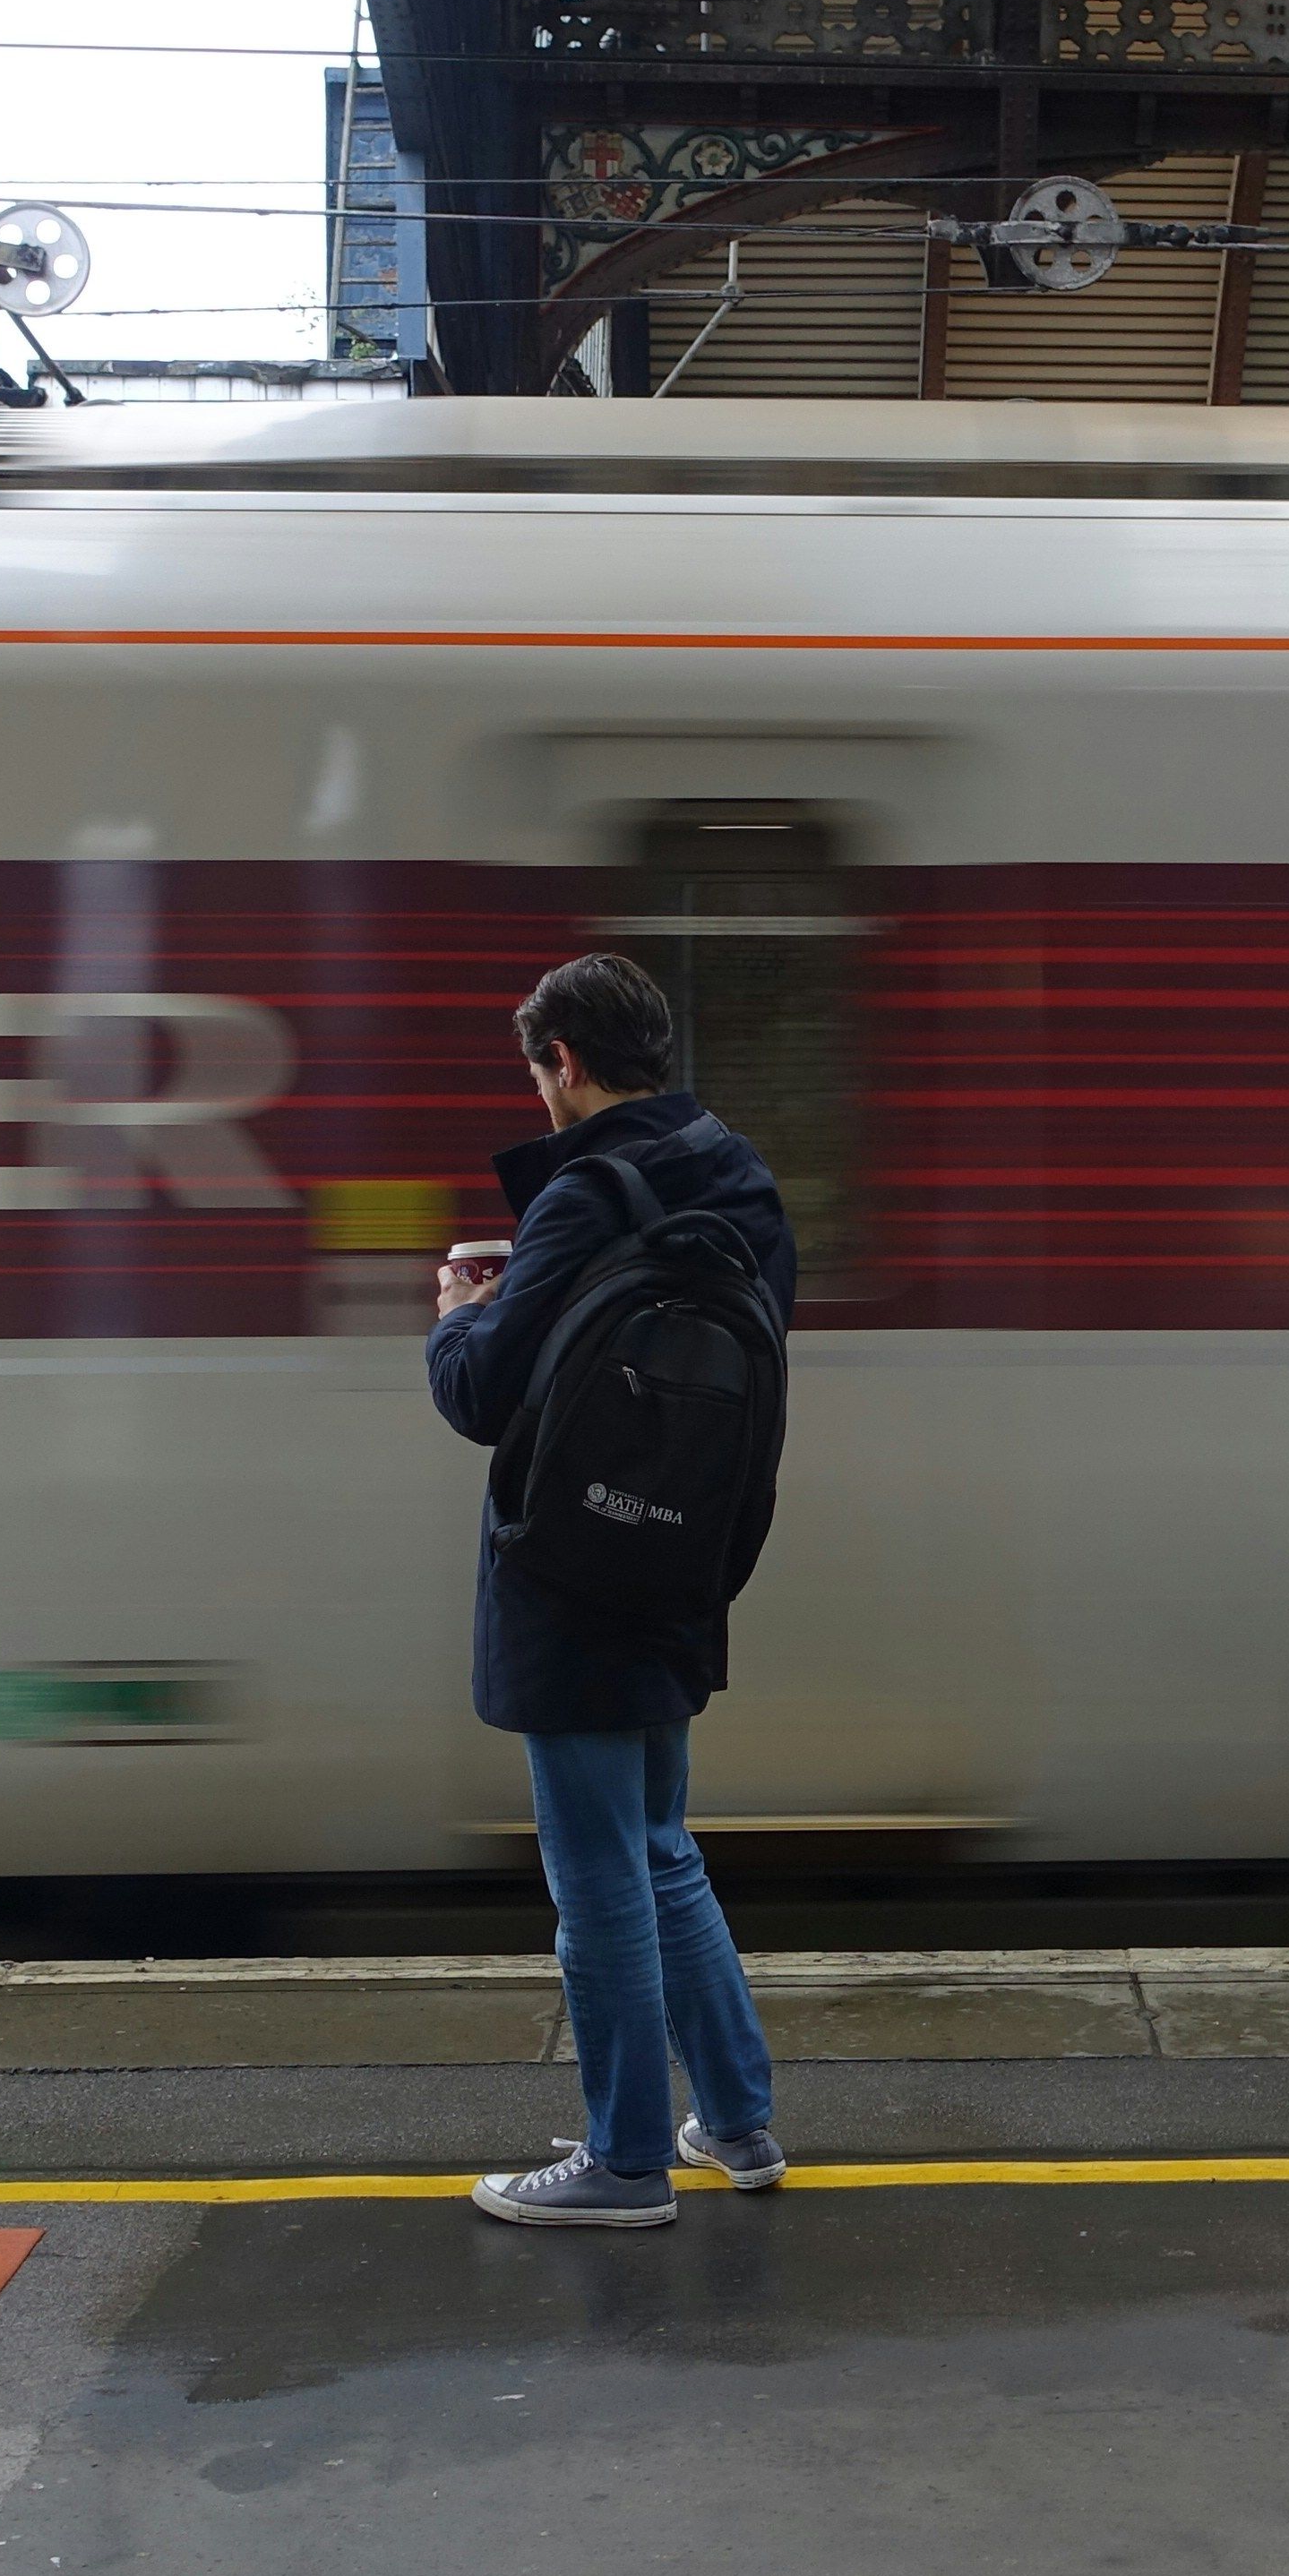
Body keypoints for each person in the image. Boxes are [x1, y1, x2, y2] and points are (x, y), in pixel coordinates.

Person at [428, 952, 799, 2228]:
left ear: (565, 1064)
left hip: (574, 1571)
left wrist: (458, 1312)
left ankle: (624, 2162)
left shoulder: (589, 1195)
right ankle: (737, 2125)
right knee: (659, 1848)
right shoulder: (734, 1173)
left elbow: (481, 1395)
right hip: (684, 1556)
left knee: (595, 1876)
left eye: (537, 1071)